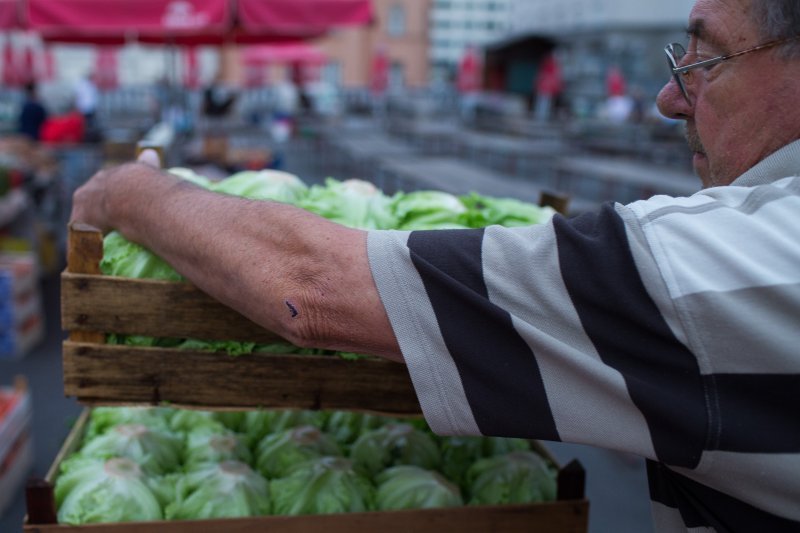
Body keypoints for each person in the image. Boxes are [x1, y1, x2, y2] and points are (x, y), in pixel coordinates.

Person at [70, 0, 799, 530]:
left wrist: (130, 190)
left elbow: (314, 288)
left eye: (704, 61)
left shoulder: (725, 266)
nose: (670, 98)